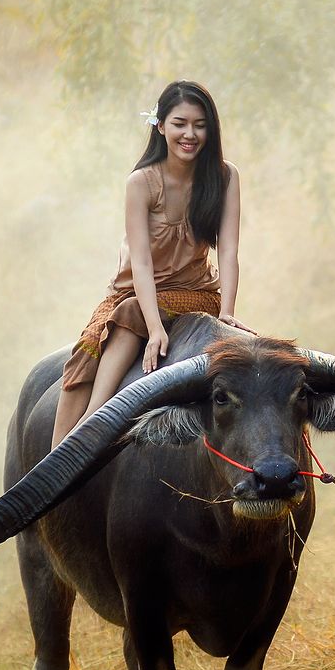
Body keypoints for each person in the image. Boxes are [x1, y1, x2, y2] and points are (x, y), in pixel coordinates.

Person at [51, 80, 252, 450]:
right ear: (160, 126)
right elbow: (141, 264)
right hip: (134, 293)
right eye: (180, 124)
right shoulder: (142, 182)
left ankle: (96, 421)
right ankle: (72, 441)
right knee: (95, 341)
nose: (189, 134)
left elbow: (229, 251)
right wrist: (156, 329)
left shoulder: (225, 177)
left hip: (197, 294)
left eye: (200, 125)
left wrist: (227, 312)